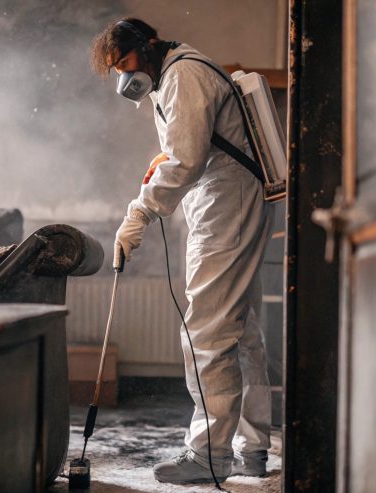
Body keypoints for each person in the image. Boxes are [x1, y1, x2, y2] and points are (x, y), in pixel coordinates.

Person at [90, 18, 273, 484]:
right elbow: (190, 146)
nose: (124, 78)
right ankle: (251, 448)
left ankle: (208, 456)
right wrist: (164, 160)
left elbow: (186, 161)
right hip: (226, 199)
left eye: (125, 64)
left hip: (224, 206)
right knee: (241, 330)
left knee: (207, 335)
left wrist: (139, 213)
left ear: (148, 47)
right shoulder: (176, 72)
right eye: (116, 71)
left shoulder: (182, 76)